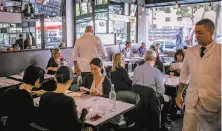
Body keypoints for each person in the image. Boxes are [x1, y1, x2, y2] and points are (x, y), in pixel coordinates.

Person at [176, 19, 221, 131]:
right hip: (192, 101)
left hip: (214, 104)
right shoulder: (190, 51)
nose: (196, 36)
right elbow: (184, 75)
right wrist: (179, 94)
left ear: (211, 32)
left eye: (199, 33)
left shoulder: (220, 52)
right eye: (195, 32)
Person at [38, 66, 88, 131]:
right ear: (71, 81)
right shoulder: (68, 101)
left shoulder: (44, 96)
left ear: (55, 78)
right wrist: (84, 112)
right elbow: (78, 127)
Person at [3, 65, 45, 131]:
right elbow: (31, 118)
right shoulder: (26, 97)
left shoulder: (10, 90)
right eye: (41, 79)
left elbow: (20, 94)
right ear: (38, 80)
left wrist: (33, 93)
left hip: (9, 125)